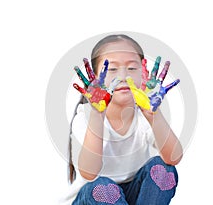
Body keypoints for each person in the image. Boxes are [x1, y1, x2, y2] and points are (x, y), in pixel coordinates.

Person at [63, 34, 183, 205]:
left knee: (163, 169)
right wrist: (98, 116)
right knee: (102, 187)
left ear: (144, 74)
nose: (123, 76)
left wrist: (153, 115)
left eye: (132, 68)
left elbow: (173, 158)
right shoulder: (85, 115)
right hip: (92, 198)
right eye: (111, 69)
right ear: (95, 78)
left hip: (135, 198)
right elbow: (90, 173)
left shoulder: (143, 115)